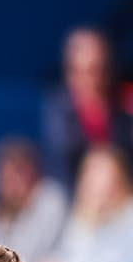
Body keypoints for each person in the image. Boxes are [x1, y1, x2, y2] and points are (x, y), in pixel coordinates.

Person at [42, 27, 133, 190]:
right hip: (79, 202)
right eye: (83, 71)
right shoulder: (58, 110)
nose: (93, 80)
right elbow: (62, 169)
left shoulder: (126, 98)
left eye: (100, 69)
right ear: (69, 73)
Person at [0, 137, 68, 262]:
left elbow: (29, 257)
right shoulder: (1, 212)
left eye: (18, 173)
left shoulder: (50, 199)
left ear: (32, 171)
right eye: (6, 178)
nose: (11, 185)